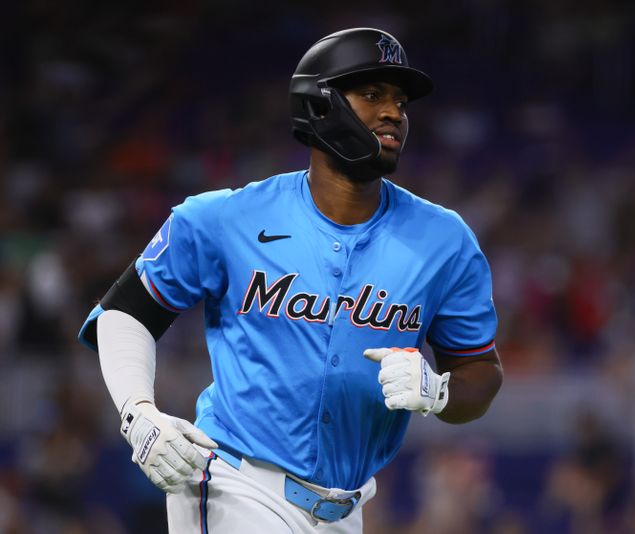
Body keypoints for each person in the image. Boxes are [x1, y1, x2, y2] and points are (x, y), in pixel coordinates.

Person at [78, 27, 502, 533]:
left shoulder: (443, 240)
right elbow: (126, 311)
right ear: (318, 106)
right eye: (372, 95)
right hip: (237, 483)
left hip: (345, 511)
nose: (393, 113)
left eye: (400, 101)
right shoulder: (226, 218)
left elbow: (480, 371)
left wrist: (440, 392)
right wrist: (139, 414)